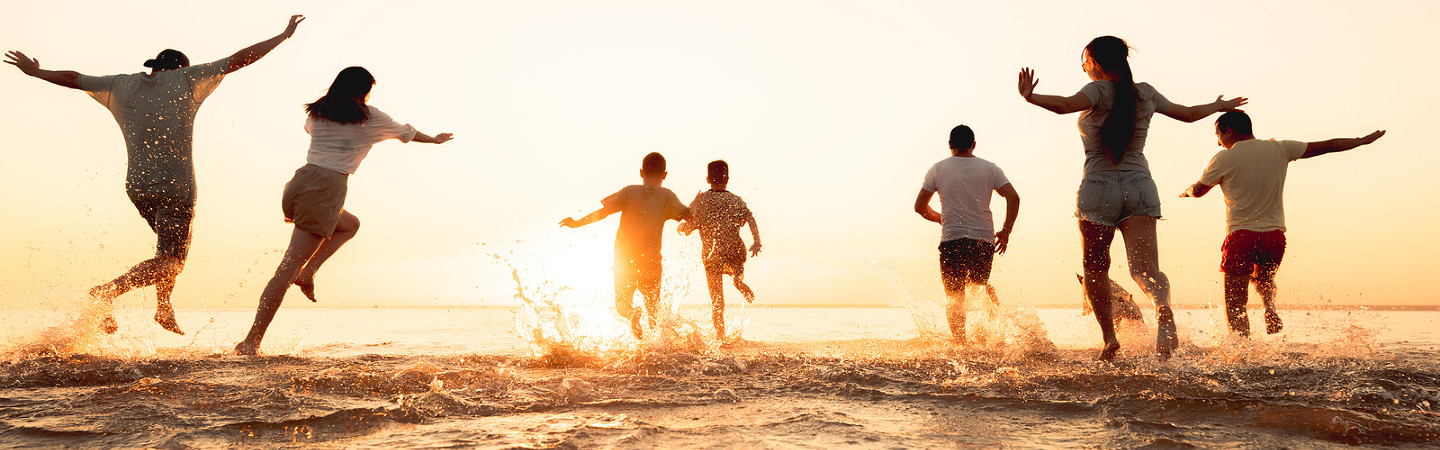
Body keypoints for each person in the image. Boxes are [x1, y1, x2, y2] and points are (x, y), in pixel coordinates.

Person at [4, 15, 306, 335]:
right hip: (175, 185)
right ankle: (106, 292)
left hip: (137, 187)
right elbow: (239, 60)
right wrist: (283, 35)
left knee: (168, 250)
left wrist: (36, 72)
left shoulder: (123, 84)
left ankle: (163, 306)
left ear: (153, 68)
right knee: (173, 260)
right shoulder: (188, 79)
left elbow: (74, 78)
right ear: (180, 69)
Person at [1017, 35, 1247, 360]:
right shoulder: (1146, 92)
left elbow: (1064, 105)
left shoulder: (1097, 91)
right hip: (1140, 186)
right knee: (1145, 270)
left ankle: (1110, 339)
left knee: (1095, 267)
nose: (1083, 68)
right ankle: (1162, 306)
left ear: (1095, 63)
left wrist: (1031, 96)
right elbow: (1189, 113)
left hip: (1098, 189)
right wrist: (1219, 106)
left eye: (1084, 62)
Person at [233, 67, 454, 356]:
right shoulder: (370, 117)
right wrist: (434, 140)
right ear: (363, 91)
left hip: (300, 183)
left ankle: (308, 272)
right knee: (285, 270)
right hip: (327, 188)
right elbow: (406, 133)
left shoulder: (317, 112)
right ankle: (251, 342)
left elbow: (312, 132)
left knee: (349, 225)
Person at [1181, 111, 1384, 336]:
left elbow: (1199, 191)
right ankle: (1269, 308)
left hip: (1241, 236)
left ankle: (1241, 354)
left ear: (1229, 131)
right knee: (1263, 278)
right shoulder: (1280, 148)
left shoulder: (1223, 158)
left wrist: (1187, 192)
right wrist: (1361, 141)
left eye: (1218, 135)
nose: (1218, 142)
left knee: (1236, 304)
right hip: (1274, 237)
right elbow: (1330, 145)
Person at [560, 152, 693, 339]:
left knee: (622, 302)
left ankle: (631, 314)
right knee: (653, 307)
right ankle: (656, 348)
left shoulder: (630, 191)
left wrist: (576, 223)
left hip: (624, 259)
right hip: (652, 260)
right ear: (665, 175)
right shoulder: (667, 196)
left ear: (641, 172)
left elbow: (602, 213)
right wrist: (695, 206)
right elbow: (690, 218)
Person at [914, 125, 1020, 344]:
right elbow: (1013, 197)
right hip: (983, 240)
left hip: (952, 240)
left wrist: (940, 218)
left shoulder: (937, 169)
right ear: (973, 145)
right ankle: (996, 328)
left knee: (954, 297)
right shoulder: (990, 169)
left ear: (950, 145)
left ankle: (961, 345)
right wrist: (1006, 231)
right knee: (979, 284)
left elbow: (920, 207)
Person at [678, 160, 762, 341]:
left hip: (712, 256)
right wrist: (756, 241)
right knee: (737, 272)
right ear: (728, 179)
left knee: (717, 302)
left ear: (708, 179)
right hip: (734, 250)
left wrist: (682, 227)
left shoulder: (702, 201)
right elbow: (750, 218)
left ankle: (720, 338)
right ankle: (738, 281)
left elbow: (689, 224)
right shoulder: (736, 200)